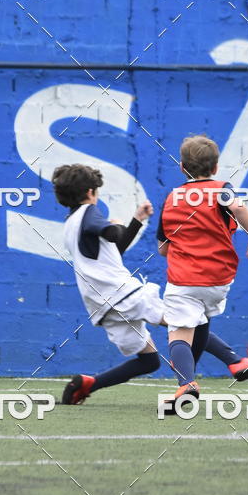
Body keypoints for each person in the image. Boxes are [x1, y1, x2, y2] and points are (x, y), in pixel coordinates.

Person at [157, 134, 248, 409]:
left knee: (179, 333)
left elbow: (163, 248)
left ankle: (186, 383)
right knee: (202, 321)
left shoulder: (172, 197)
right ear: (216, 167)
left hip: (184, 278)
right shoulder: (222, 189)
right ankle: (230, 364)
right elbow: (238, 208)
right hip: (219, 278)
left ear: (182, 167)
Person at [52, 164, 163, 404]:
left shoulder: (71, 224)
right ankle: (233, 361)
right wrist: (115, 225)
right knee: (187, 321)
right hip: (122, 294)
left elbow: (114, 250)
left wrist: (136, 221)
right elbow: (112, 234)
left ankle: (87, 385)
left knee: (150, 361)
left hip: (103, 304)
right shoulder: (89, 212)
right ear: (90, 192)